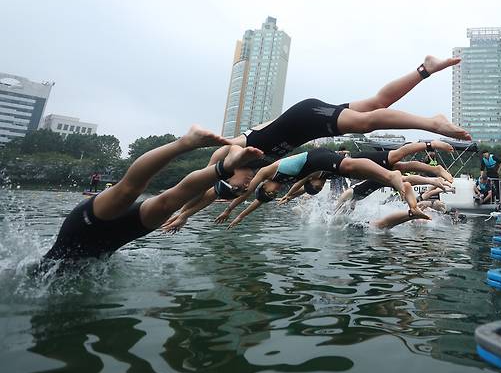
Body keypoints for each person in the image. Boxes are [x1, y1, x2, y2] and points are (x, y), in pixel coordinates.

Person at [198, 56, 470, 201]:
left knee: (365, 123)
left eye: (234, 187)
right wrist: (186, 214)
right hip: (311, 121)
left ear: (226, 173)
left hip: (306, 116)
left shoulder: (237, 150)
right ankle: (425, 69)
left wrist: (203, 179)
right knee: (378, 103)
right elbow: (212, 193)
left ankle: (433, 123)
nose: (242, 188)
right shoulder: (259, 166)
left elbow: (209, 171)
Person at [41, 126, 263, 262]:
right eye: (248, 175)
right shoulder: (40, 276)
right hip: (83, 229)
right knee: (129, 191)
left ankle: (210, 160)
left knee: (166, 203)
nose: (249, 179)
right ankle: (188, 146)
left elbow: (197, 195)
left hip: (115, 240)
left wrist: (185, 214)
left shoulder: (235, 187)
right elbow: (203, 194)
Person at [217, 148, 430, 229]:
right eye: (273, 195)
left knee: (354, 168)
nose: (273, 192)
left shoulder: (267, 172)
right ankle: (396, 178)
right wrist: (240, 217)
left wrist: (229, 209)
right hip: (319, 166)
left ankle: (393, 176)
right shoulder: (284, 182)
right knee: (373, 170)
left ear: (263, 185)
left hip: (316, 157)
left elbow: (247, 193)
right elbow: (258, 201)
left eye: (270, 191)